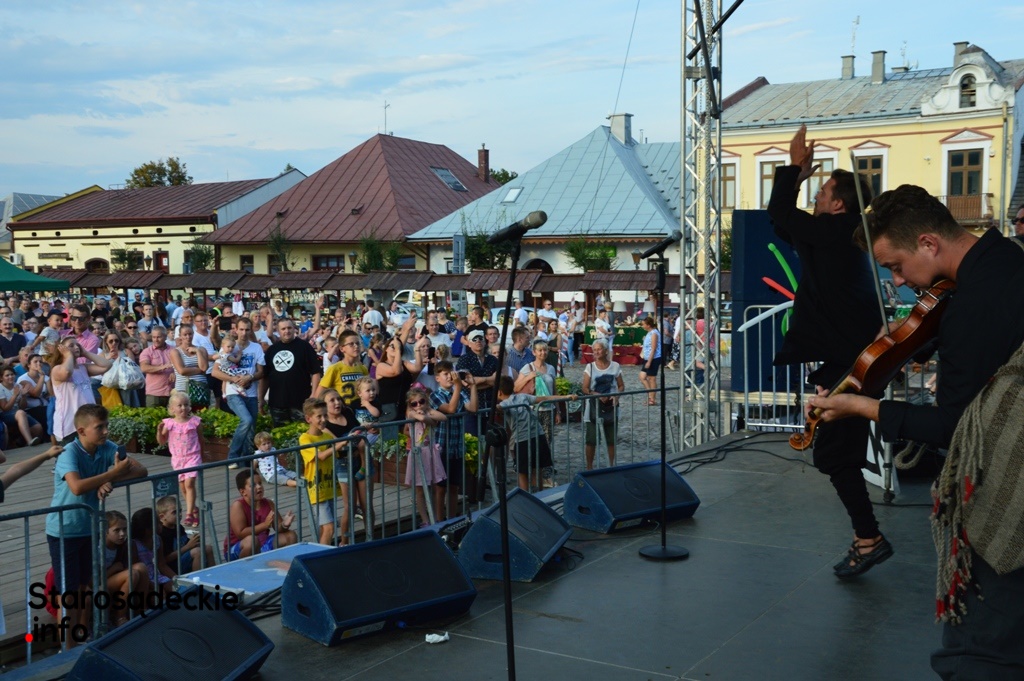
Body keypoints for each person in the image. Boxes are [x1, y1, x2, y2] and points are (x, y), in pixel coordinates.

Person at [808, 184, 1024, 677]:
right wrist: (913, 343)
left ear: (929, 243)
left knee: (981, 651)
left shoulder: (972, 305)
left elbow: (953, 426)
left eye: (897, 266)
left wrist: (864, 406)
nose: (899, 282)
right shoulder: (1004, 259)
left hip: (1007, 498)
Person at [767, 123, 884, 581]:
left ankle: (869, 539)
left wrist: (795, 168)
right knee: (839, 453)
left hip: (851, 359)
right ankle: (867, 537)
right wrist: (795, 179)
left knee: (835, 455)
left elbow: (780, 211)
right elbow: (783, 221)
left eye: (822, 192)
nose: (815, 197)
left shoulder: (836, 230)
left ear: (838, 204)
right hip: (851, 356)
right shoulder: (839, 232)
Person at [45, 405, 147, 645]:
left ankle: (78, 640)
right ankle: (66, 649)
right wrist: (110, 475)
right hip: (65, 530)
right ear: (81, 431)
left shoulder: (106, 447)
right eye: (99, 427)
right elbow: (77, 487)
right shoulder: (69, 453)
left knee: (83, 590)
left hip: (89, 529)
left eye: (106, 426)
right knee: (68, 595)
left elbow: (141, 470)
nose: (105, 431)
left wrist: (110, 479)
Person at [497, 375, 575, 491]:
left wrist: (496, 407)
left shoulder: (505, 403)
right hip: (538, 435)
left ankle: (525, 496)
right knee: (537, 469)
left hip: (523, 439)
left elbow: (499, 408)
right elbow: (545, 398)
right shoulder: (522, 397)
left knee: (522, 473)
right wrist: (565, 397)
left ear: (499, 392)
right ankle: (539, 495)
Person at [213, 317, 265, 468]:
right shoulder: (229, 346)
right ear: (236, 329)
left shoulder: (256, 348)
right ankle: (232, 457)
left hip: (251, 392)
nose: (244, 333)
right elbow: (215, 372)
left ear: (251, 330)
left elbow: (261, 372)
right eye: (241, 329)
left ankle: (246, 464)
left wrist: (250, 377)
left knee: (251, 429)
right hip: (233, 392)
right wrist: (233, 379)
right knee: (246, 420)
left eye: (247, 330)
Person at [430, 360, 478, 518]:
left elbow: (473, 408)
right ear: (437, 378)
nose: (450, 377)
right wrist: (458, 387)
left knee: (454, 486)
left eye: (451, 373)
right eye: (446, 374)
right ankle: (439, 521)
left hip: (456, 447)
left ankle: (451, 519)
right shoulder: (435, 395)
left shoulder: (459, 392)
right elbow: (450, 409)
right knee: (440, 487)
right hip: (441, 447)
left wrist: (473, 386)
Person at [48, 337, 112, 446]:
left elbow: (107, 365)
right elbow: (67, 372)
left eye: (77, 345)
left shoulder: (83, 368)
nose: (76, 347)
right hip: (69, 426)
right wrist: (68, 355)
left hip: (88, 423)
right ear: (62, 350)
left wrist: (85, 353)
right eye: (71, 345)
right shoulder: (57, 369)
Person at [322, 388, 366, 543]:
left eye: (338, 399)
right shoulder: (325, 425)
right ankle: (344, 542)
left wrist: (365, 429)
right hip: (343, 463)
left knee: (366, 504)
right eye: (332, 400)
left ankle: (370, 538)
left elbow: (360, 432)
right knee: (350, 506)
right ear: (324, 405)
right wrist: (351, 438)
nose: (337, 403)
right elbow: (338, 446)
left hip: (359, 458)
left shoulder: (348, 412)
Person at [261, 317, 322, 426]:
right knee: (279, 433)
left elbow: (316, 372)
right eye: (283, 329)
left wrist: (314, 394)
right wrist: (261, 398)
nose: (287, 331)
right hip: (277, 402)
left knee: (302, 433)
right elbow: (265, 377)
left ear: (294, 329)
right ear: (278, 331)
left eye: (289, 328)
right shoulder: (272, 350)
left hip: (301, 402)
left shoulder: (305, 347)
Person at [225, 469, 297, 560]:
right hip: (237, 549)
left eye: (260, 483)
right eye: (253, 485)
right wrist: (264, 525)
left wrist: (284, 525)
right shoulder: (238, 506)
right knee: (251, 541)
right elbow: (240, 533)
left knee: (291, 535)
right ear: (243, 492)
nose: (259, 487)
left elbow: (278, 528)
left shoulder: (268, 503)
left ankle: (288, 565)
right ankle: (245, 568)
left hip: (262, 544)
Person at [299, 397, 343, 544]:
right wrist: (340, 443)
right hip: (316, 490)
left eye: (325, 415)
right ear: (308, 419)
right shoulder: (305, 439)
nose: (323, 419)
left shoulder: (327, 436)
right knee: (330, 528)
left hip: (329, 487)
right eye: (319, 416)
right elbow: (321, 456)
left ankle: (318, 550)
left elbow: (338, 454)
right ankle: (322, 556)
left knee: (325, 529)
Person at [157, 392, 204, 527]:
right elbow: (162, 441)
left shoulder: (195, 422)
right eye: (179, 405)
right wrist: (159, 431)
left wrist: (203, 455)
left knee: (189, 484)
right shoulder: (169, 423)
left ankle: (189, 514)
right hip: (178, 459)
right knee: (183, 487)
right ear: (172, 409)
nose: (183, 408)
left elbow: (201, 439)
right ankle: (194, 509)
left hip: (192, 456)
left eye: (186, 404)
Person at [403, 386, 448, 527]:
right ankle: (425, 519)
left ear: (426, 401)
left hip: (430, 453)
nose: (418, 405)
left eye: (421, 401)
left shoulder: (428, 410)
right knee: (420, 489)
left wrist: (428, 414)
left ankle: (433, 516)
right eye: (414, 403)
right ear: (410, 405)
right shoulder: (411, 413)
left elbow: (444, 417)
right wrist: (430, 420)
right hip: (418, 453)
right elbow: (420, 418)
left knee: (434, 486)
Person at [582, 338, 624, 470]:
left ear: (606, 351)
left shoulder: (615, 366)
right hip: (593, 408)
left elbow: (621, 386)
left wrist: (616, 395)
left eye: (599, 349)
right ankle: (589, 467)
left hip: (611, 407)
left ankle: (610, 466)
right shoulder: (590, 367)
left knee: (611, 440)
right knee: (591, 440)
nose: (596, 352)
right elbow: (585, 388)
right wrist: (596, 394)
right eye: (594, 350)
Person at [103, 510, 149, 626]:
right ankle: (119, 616)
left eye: (124, 529)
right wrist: (113, 569)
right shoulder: (99, 548)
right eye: (117, 530)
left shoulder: (124, 544)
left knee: (142, 567)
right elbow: (93, 580)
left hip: (115, 577)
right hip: (101, 582)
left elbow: (125, 566)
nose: (122, 534)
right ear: (105, 531)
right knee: (132, 574)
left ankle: (141, 609)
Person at [155, 496, 215, 576]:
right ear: (162, 517)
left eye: (180, 511)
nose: (179, 514)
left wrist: (195, 542)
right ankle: (197, 579)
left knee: (208, 548)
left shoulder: (179, 527)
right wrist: (188, 546)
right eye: (174, 512)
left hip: (183, 558)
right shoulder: (162, 534)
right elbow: (166, 559)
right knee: (197, 552)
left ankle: (212, 576)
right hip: (173, 567)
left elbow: (186, 543)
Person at [515, 339, 558, 447]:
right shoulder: (528, 368)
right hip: (532, 409)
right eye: (540, 350)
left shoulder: (551, 368)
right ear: (534, 352)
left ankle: (545, 457)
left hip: (548, 410)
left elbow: (554, 390)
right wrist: (528, 377)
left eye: (545, 350)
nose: (543, 353)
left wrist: (558, 411)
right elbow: (516, 387)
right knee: (532, 439)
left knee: (547, 440)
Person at [315, 329, 368, 407]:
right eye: (351, 344)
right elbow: (318, 394)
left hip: (360, 410)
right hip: (343, 410)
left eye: (358, 343)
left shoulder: (363, 369)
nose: (356, 346)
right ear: (342, 348)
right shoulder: (334, 369)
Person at [0, 366, 43, 447]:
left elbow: (23, 407)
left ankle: (20, 443)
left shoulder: (18, 386)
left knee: (37, 428)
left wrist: (23, 396)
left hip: (18, 413)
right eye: (7, 375)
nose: (10, 377)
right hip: (4, 415)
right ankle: (29, 441)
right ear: (1, 378)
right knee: (20, 413)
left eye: (12, 374)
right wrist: (14, 395)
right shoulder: (0, 388)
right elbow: (5, 408)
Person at [139, 326, 176, 408]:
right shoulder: (147, 351)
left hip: (172, 392)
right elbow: (144, 368)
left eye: (159, 337)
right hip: (154, 393)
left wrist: (175, 372)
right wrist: (163, 367)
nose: (156, 340)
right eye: (153, 337)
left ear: (165, 337)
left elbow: (180, 366)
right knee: (153, 416)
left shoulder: (174, 350)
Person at [17, 353, 49, 428]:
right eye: (35, 361)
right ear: (29, 365)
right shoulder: (23, 379)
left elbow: (51, 393)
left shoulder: (46, 377)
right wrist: (42, 377)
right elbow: (35, 393)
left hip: (45, 405)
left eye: (40, 362)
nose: (39, 363)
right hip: (32, 408)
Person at [639, 316, 662, 406]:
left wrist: (649, 361)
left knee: (652, 378)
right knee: (642, 376)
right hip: (647, 357)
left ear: (648, 325)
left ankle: (652, 398)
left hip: (653, 358)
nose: (643, 326)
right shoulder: (649, 333)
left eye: (644, 324)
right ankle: (650, 394)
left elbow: (653, 348)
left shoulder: (654, 333)